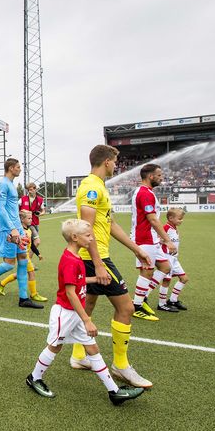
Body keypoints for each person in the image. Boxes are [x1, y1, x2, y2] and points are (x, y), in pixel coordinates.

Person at [26, 219, 145, 405]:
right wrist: (87, 320)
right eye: (88, 235)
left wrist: (95, 279)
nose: (92, 239)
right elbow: (70, 293)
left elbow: (78, 281)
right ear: (74, 237)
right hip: (65, 313)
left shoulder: (76, 256)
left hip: (75, 314)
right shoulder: (70, 260)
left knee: (92, 348)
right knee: (55, 346)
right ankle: (34, 378)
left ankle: (114, 392)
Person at [70, 145, 153, 389]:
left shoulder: (100, 187)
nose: (116, 166)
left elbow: (111, 224)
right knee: (126, 308)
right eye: (114, 162)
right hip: (94, 259)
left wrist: (136, 249)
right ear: (107, 161)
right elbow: (86, 229)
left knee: (89, 304)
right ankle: (121, 365)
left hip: (95, 258)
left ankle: (78, 355)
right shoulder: (91, 188)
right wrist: (98, 264)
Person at [0, 159, 42, 309]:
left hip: (18, 228)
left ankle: (23, 298)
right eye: (18, 167)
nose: (20, 169)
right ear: (11, 168)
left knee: (23, 259)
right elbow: (1, 209)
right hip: (9, 230)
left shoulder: (11, 185)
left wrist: (19, 223)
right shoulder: (2, 184)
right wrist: (12, 229)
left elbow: (10, 208)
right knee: (9, 264)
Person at [129, 163, 177, 321]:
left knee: (165, 267)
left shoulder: (146, 192)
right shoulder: (145, 193)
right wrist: (168, 240)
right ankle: (136, 306)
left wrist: (161, 237)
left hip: (152, 238)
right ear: (151, 176)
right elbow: (153, 220)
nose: (161, 178)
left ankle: (141, 298)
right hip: (144, 238)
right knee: (147, 271)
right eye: (159, 175)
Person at [0, 210, 48, 302]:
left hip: (26, 255)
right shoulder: (19, 231)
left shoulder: (29, 230)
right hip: (23, 256)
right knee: (31, 273)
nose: (31, 220)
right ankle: (34, 294)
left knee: (20, 275)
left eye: (31, 218)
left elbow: (31, 244)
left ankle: (2, 283)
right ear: (22, 219)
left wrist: (38, 254)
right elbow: (12, 242)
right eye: (29, 218)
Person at [157, 208, 189, 312]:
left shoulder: (174, 227)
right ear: (171, 218)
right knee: (166, 280)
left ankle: (173, 300)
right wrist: (164, 242)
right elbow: (157, 239)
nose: (181, 220)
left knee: (184, 278)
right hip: (167, 257)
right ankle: (161, 304)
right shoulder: (166, 227)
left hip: (174, 258)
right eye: (179, 218)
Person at [19, 182, 44, 249]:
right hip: (25, 224)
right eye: (28, 190)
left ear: (35, 189)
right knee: (37, 241)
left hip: (35, 222)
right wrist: (21, 213)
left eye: (31, 189)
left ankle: (27, 256)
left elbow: (43, 211)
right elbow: (15, 209)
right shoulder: (22, 199)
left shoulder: (40, 199)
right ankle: (28, 257)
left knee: (31, 242)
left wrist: (40, 214)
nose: (30, 191)